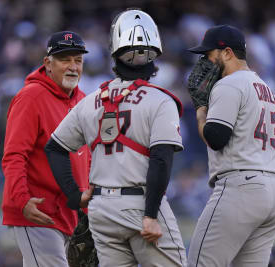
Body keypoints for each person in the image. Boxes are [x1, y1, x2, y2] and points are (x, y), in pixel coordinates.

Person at [45, 9, 187, 267]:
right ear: (154, 53)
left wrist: (75, 196)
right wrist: (151, 215)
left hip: (101, 210)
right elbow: (161, 160)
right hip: (140, 204)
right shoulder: (161, 100)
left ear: (115, 52)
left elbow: (54, 148)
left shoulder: (90, 102)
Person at [186, 25, 275, 267]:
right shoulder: (267, 90)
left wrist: (201, 111)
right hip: (273, 191)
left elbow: (216, 137)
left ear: (228, 53)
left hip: (241, 188)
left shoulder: (229, 84)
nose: (204, 62)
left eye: (209, 55)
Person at [1, 31, 92, 267]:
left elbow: (87, 158)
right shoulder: (31, 97)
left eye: (78, 60)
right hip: (37, 211)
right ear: (48, 63)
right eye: (65, 59)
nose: (73, 66)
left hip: (71, 214)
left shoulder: (82, 100)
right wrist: (22, 200)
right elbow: (14, 155)